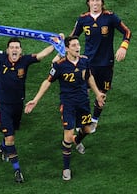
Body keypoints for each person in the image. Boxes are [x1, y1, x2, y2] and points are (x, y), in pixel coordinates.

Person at [0, 32, 56, 183]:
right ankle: (17, 170)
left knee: (12, 133)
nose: (14, 50)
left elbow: (41, 55)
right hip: (3, 105)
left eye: (17, 47)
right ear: (7, 50)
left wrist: (56, 44)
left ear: (21, 51)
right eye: (11, 47)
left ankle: (2, 146)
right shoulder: (1, 58)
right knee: (10, 137)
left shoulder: (25, 61)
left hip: (18, 105)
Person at [25, 36, 106, 181]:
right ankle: (66, 168)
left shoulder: (84, 61)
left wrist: (98, 94)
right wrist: (35, 100)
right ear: (67, 48)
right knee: (67, 136)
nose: (77, 47)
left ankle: (78, 140)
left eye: (78, 45)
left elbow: (89, 77)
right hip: (68, 104)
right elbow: (47, 82)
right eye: (74, 45)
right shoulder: (59, 65)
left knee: (88, 129)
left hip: (83, 103)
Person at [54, 0, 131, 133]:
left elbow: (127, 32)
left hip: (106, 63)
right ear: (88, 3)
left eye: (98, 0)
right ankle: (79, 121)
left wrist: (123, 47)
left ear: (102, 2)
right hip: (88, 63)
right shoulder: (83, 19)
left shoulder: (110, 17)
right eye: (92, 0)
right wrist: (60, 46)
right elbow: (72, 38)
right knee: (83, 92)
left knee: (101, 93)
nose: (95, 3)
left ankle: (94, 119)